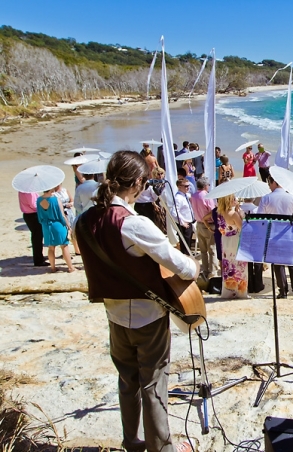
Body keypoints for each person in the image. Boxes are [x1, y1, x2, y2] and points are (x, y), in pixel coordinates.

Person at [74, 150, 197, 452]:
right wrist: (194, 265)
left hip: (114, 315)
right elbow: (184, 267)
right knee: (154, 384)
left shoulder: (82, 221)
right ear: (139, 183)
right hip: (148, 316)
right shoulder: (133, 223)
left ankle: (132, 441)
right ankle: (161, 448)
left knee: (127, 382)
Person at [258, 175, 293, 299]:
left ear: (274, 182)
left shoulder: (266, 198)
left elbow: (260, 219)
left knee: (278, 265)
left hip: (273, 234)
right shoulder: (292, 198)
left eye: (269, 183)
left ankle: (283, 291)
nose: (268, 185)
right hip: (289, 235)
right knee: (292, 264)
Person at [217, 194, 249, 299]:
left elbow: (221, 229)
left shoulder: (219, 213)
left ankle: (229, 291)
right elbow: (242, 227)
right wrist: (240, 214)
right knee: (240, 266)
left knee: (228, 266)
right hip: (235, 239)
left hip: (225, 240)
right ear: (229, 201)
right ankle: (240, 291)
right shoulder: (234, 214)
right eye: (233, 199)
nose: (235, 200)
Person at [37, 188, 75, 273]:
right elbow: (62, 215)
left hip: (46, 225)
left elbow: (39, 215)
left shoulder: (39, 200)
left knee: (51, 248)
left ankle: (53, 268)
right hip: (57, 224)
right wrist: (68, 226)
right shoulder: (56, 199)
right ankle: (70, 267)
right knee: (64, 246)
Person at [190, 177, 219, 278]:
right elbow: (212, 211)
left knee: (203, 250)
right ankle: (213, 272)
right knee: (212, 249)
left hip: (198, 223)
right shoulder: (207, 196)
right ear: (205, 186)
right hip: (208, 224)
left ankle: (206, 270)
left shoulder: (193, 196)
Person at [19, 191, 48, 266]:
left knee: (37, 237)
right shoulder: (29, 192)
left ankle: (39, 257)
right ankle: (38, 259)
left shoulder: (23, 190)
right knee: (37, 237)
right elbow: (34, 205)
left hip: (29, 214)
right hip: (33, 215)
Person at [54, 183, 80, 255]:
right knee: (64, 233)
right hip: (61, 213)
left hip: (69, 212)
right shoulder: (53, 194)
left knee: (73, 231)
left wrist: (71, 204)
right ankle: (65, 253)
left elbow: (72, 200)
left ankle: (77, 249)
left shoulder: (65, 190)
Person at [171, 178, 195, 255]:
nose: (188, 188)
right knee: (185, 246)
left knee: (188, 245)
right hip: (185, 225)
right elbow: (174, 212)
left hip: (189, 222)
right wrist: (182, 223)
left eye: (189, 186)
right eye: (186, 186)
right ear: (179, 186)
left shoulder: (185, 195)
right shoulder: (178, 198)